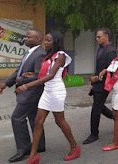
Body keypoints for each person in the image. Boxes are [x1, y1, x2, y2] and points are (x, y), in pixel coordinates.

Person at [15, 32, 80, 163]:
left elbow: (51, 76)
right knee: (38, 122)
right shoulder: (49, 56)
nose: (47, 42)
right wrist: (32, 74)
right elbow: (43, 73)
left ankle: (75, 147)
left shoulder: (61, 55)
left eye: (49, 40)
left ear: (56, 41)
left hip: (56, 92)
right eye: (46, 40)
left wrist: (27, 86)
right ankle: (33, 156)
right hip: (47, 91)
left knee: (60, 121)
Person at [0, 29, 46, 163]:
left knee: (17, 118)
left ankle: (23, 149)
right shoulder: (29, 52)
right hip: (28, 92)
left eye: (28, 37)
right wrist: (5, 83)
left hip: (31, 93)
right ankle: (40, 145)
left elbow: (39, 76)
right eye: (25, 36)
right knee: (34, 118)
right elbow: (19, 70)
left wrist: (21, 81)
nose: (25, 39)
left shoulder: (40, 54)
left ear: (37, 40)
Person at [83, 28, 116, 144]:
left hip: (104, 84)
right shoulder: (100, 49)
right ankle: (116, 117)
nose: (97, 39)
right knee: (99, 105)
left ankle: (94, 134)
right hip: (98, 82)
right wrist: (94, 82)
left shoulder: (110, 51)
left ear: (106, 36)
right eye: (96, 37)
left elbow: (113, 70)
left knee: (96, 108)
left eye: (99, 37)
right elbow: (99, 69)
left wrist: (97, 79)